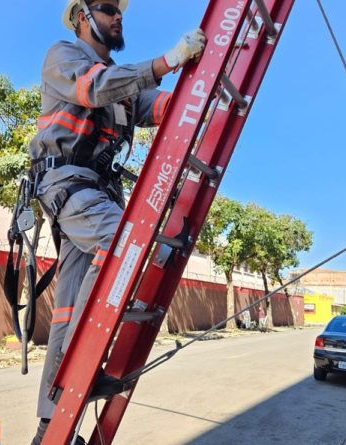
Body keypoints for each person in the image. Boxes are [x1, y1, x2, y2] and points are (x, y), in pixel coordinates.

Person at [28, 1, 206, 443]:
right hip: (68, 184)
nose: (119, 16)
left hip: (95, 192)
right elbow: (95, 90)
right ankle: (83, 368)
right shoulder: (63, 56)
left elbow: (166, 106)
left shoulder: (124, 88)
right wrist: (167, 60)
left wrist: (206, 80)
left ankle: (51, 422)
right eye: (108, 8)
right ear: (83, 18)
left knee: (67, 310)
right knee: (127, 246)